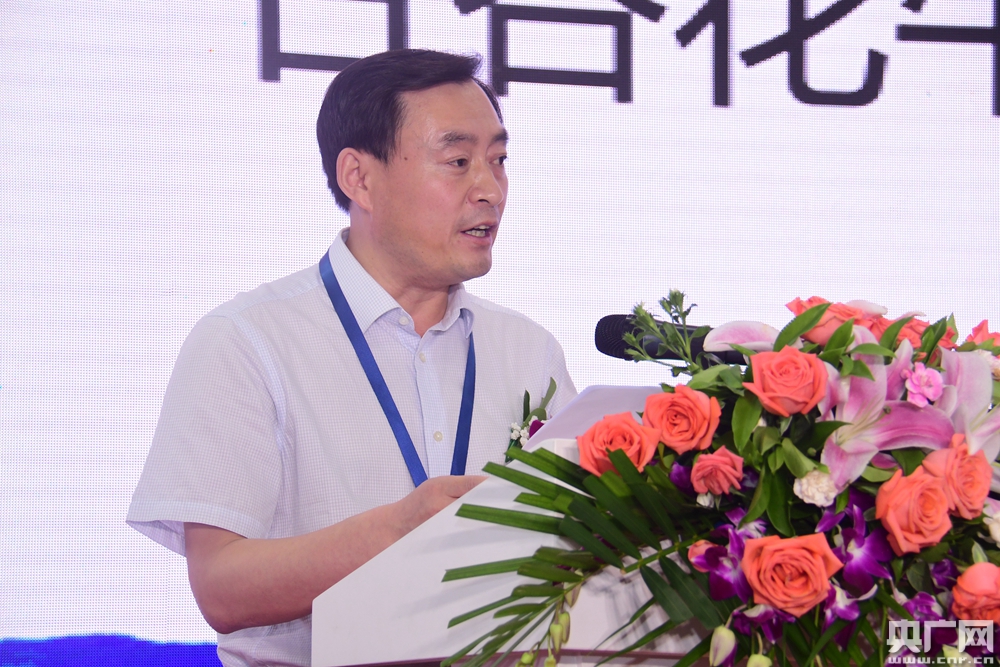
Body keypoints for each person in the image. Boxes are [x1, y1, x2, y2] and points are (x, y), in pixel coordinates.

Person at [127, 49, 577, 667]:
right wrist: (397, 530)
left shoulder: (527, 350)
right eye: (458, 162)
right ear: (359, 178)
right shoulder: (246, 341)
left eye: (499, 160)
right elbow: (222, 588)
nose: (490, 189)